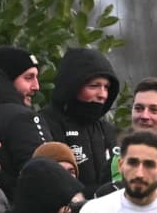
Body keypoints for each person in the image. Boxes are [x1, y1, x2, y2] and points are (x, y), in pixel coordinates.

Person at [46, 47, 123, 191]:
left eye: (106, 87)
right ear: (71, 86)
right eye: (94, 86)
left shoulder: (107, 129)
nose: (103, 94)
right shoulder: (46, 123)